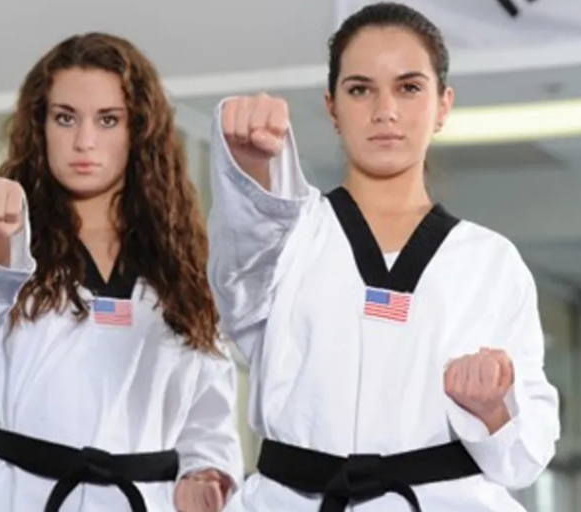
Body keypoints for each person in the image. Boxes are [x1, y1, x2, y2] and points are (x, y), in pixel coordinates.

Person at [207, 3, 560, 512]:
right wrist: (246, 163)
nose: (385, 110)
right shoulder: (286, 234)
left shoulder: (490, 263)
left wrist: (491, 410)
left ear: (443, 105)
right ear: (331, 107)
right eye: (360, 89)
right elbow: (238, 269)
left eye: (409, 87)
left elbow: (523, 461)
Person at [0, 32, 243, 512]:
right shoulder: (10, 239)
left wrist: (207, 471)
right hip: (25, 497)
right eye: (65, 118)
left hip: (146, 499)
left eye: (108, 120)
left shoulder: (182, 267)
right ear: (39, 126)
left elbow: (208, 407)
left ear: (138, 129)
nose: (84, 141)